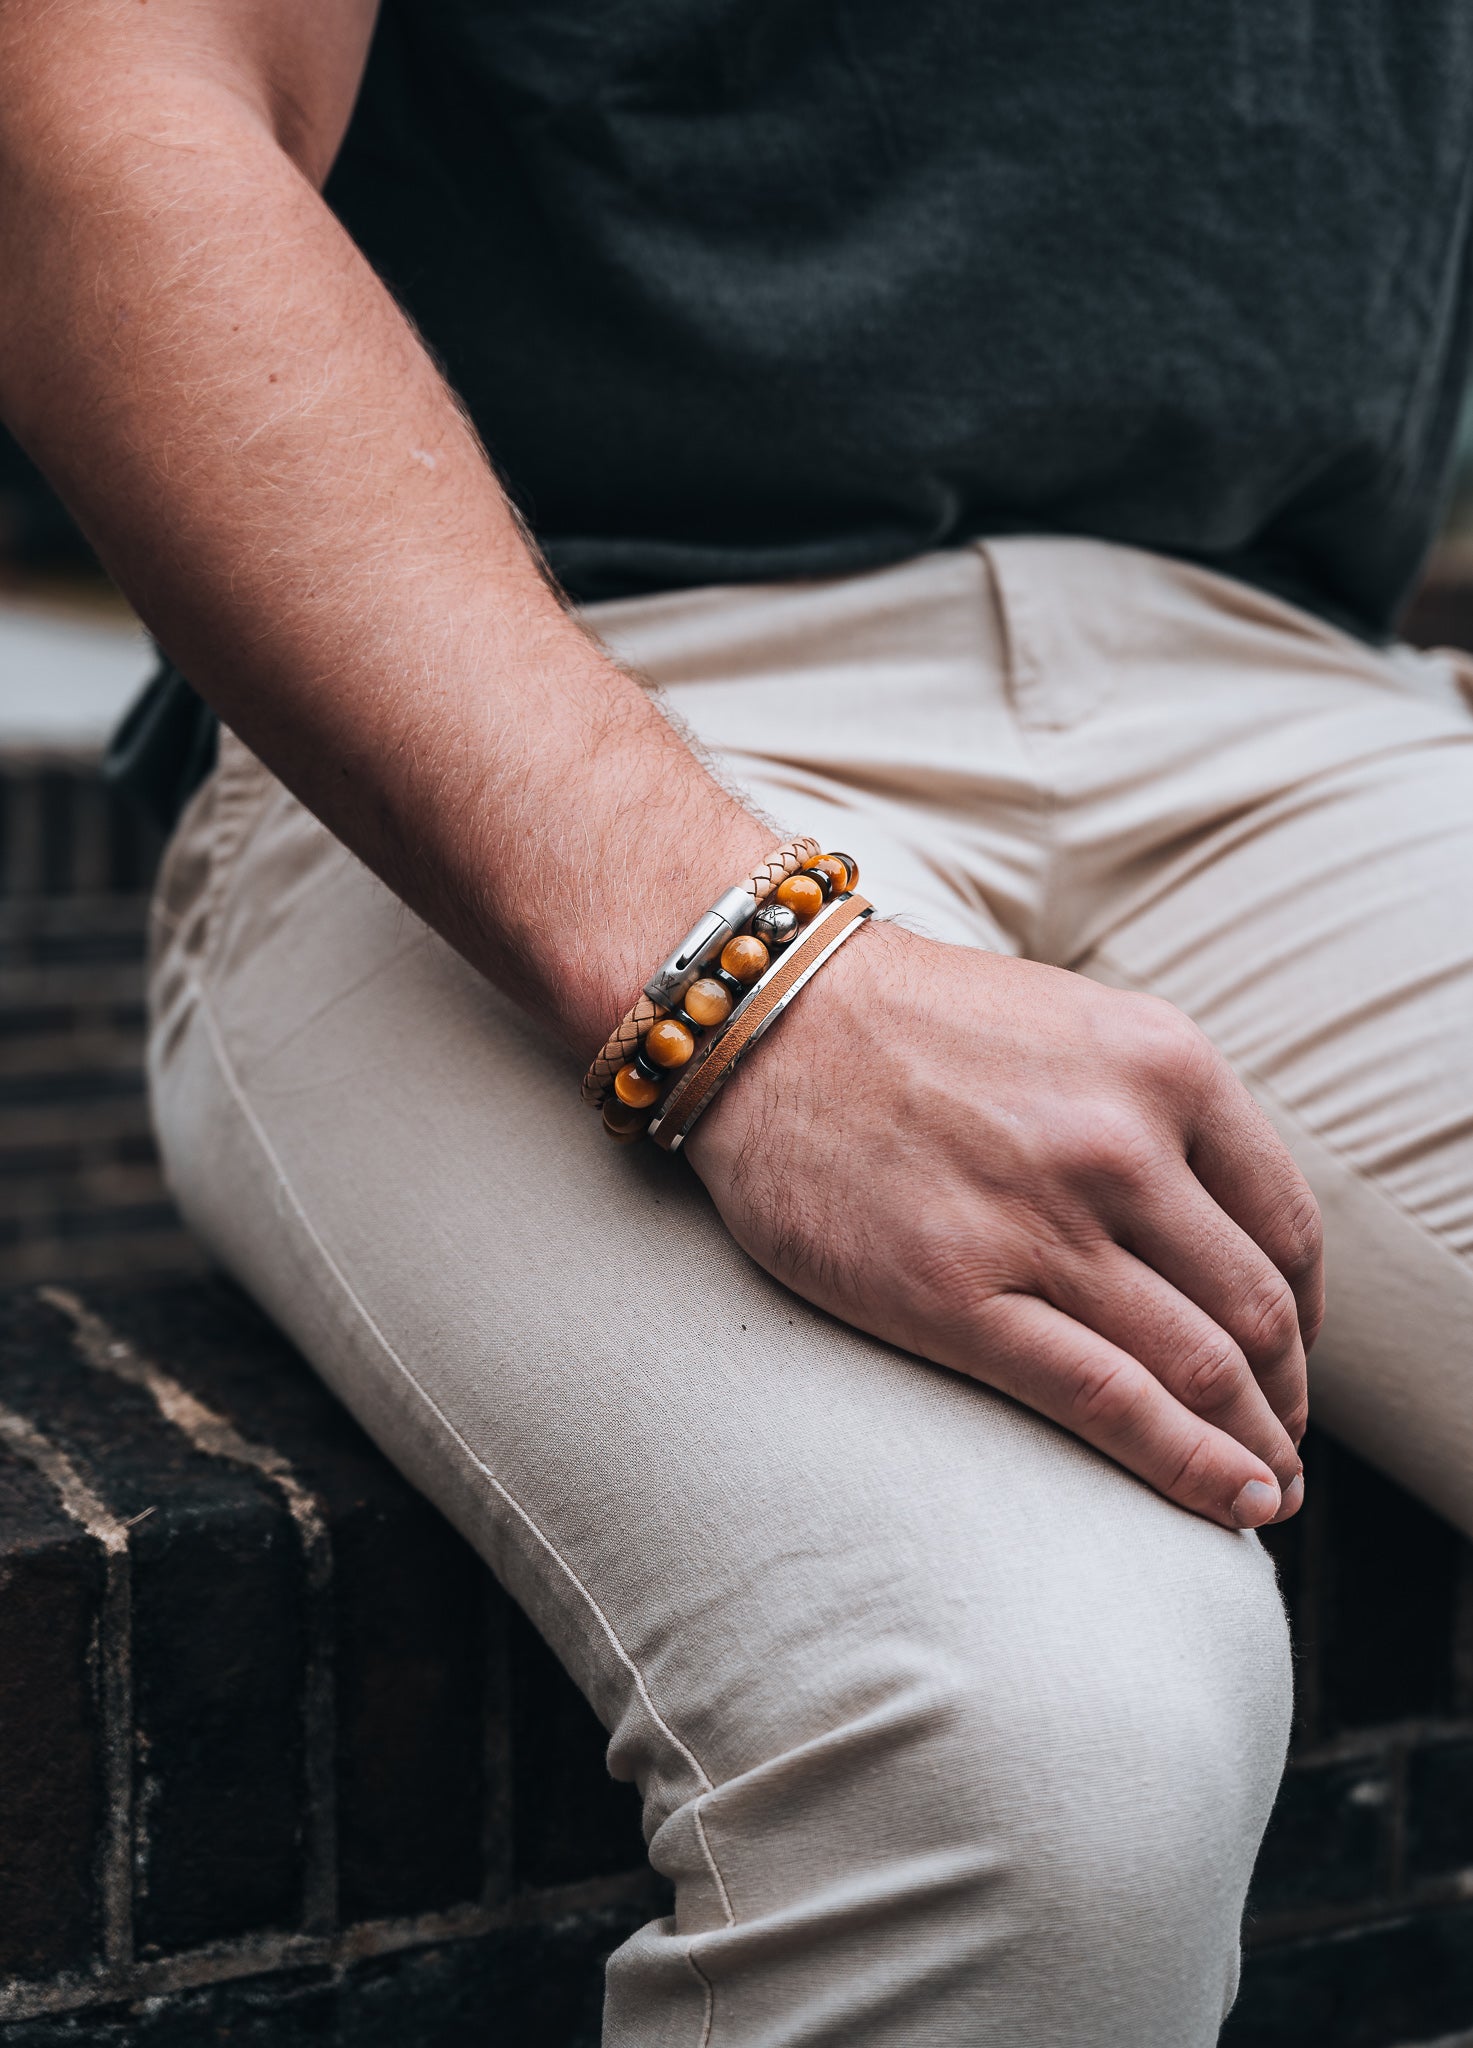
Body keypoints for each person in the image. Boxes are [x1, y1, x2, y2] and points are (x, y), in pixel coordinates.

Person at [3, 3, 1471, 2039]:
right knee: (1029, 1752)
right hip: (542, 692)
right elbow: (106, 113)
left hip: (1308, 705)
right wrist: (743, 983)